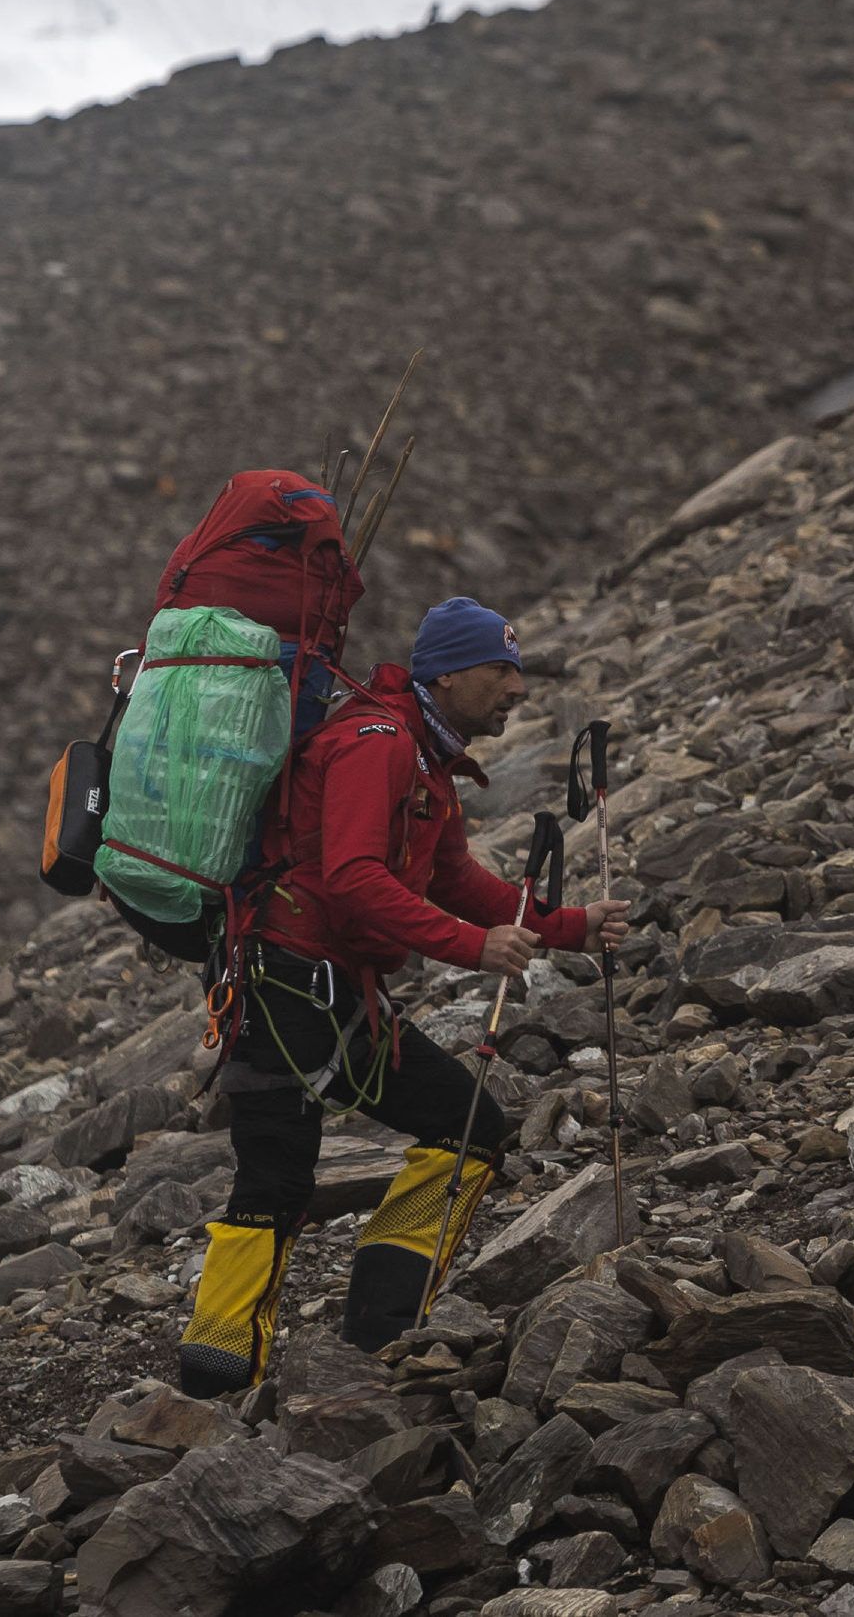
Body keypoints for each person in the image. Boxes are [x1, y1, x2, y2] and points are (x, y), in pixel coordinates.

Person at [175, 595, 630, 1394]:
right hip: (282, 986)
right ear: (446, 673)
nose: (516, 687)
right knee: (276, 1177)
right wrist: (474, 949)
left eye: (517, 669)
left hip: (333, 993)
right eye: (500, 668)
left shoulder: (426, 759)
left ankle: (380, 1333)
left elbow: (454, 879)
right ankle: (214, 1378)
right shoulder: (377, 744)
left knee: (468, 1126)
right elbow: (351, 879)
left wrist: (570, 926)